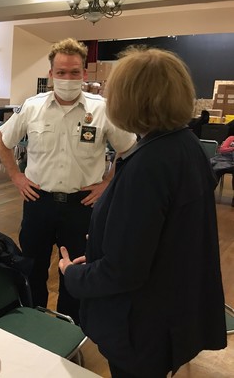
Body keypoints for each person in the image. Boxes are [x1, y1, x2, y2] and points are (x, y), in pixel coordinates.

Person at [60, 47, 226, 378]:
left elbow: (125, 272)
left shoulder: (148, 166)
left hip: (143, 325)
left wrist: (72, 274)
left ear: (129, 99)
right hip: (172, 311)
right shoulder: (186, 147)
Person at [0, 38, 136, 323]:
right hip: (38, 202)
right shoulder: (32, 107)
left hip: (81, 206)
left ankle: (70, 328)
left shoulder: (102, 109)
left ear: (84, 74)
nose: (68, 78)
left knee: (76, 271)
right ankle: (34, 322)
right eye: (61, 72)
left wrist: (108, 182)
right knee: (32, 268)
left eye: (74, 72)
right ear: (51, 74)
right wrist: (16, 176)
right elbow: (2, 139)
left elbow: (128, 148)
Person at [210, 134, 234, 206]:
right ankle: (209, 193)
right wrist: (232, 148)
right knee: (216, 169)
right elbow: (222, 150)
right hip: (225, 160)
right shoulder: (231, 138)